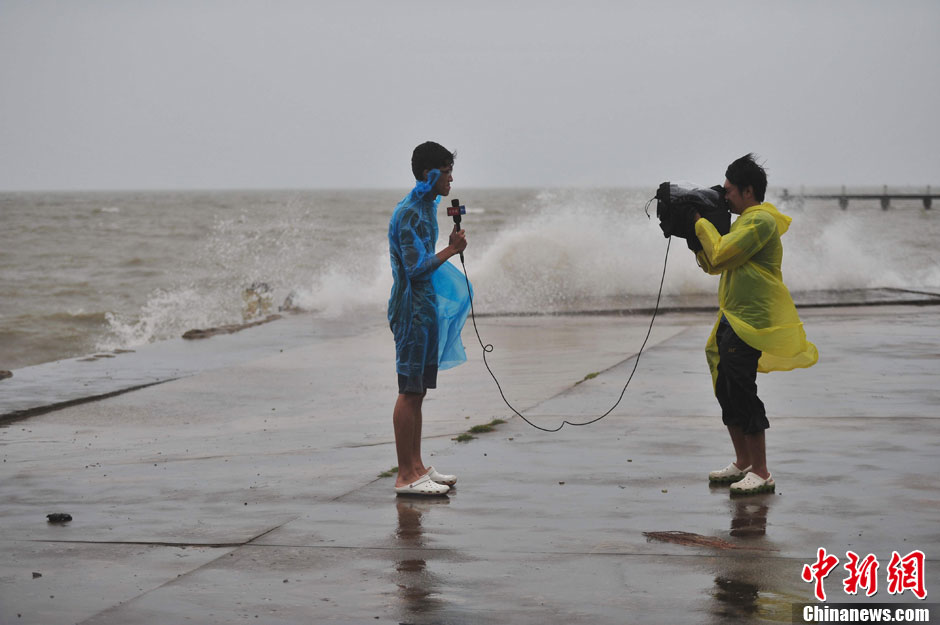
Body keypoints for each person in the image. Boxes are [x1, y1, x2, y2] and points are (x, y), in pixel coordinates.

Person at [693, 154, 818, 495]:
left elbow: (720, 254)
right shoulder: (744, 223)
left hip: (750, 320)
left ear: (748, 191)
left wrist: (700, 222)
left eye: (730, 190)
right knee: (725, 387)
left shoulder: (760, 222)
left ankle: (761, 471)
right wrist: (695, 239)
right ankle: (743, 462)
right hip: (731, 315)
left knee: (742, 389)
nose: (725, 196)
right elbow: (715, 264)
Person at [387, 141, 470, 496]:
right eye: (447, 171)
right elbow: (415, 268)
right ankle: (405, 475)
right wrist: (451, 250)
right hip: (410, 310)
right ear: (429, 174)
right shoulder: (408, 213)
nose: (451, 179)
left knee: (418, 390)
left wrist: (449, 245)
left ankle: (418, 467)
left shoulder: (426, 207)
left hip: (426, 307)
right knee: (408, 390)